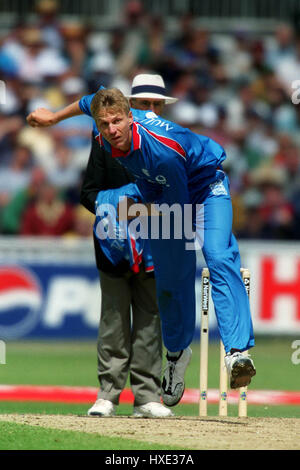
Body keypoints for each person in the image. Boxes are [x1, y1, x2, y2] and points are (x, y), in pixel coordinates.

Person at [27, 85, 256, 408]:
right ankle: (177, 354)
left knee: (217, 257)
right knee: (169, 282)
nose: (111, 130)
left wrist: (139, 216)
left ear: (131, 117)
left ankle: (237, 353)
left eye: (117, 122)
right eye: (105, 125)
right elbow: (85, 101)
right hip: (155, 185)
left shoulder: (161, 151)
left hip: (202, 188)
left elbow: (179, 212)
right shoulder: (104, 113)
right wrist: (53, 118)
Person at [28, 74, 176, 418]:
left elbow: (177, 196)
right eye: (144, 104)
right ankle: (108, 394)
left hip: (155, 245)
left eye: (157, 104)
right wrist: (122, 212)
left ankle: (147, 397)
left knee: (150, 320)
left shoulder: (170, 144)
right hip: (112, 245)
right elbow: (87, 192)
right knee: (113, 319)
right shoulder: (103, 141)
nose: (150, 110)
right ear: (131, 108)